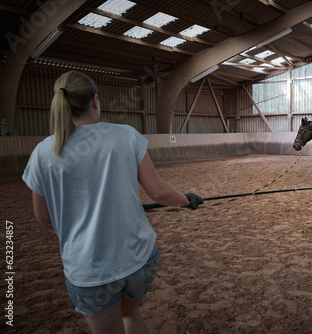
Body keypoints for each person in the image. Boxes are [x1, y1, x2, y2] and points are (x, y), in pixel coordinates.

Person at [22, 71, 203, 333]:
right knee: (130, 314)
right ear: (95, 100)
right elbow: (160, 192)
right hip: (139, 259)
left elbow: (42, 216)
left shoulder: (43, 153)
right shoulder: (126, 135)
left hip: (89, 269)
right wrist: (186, 199)